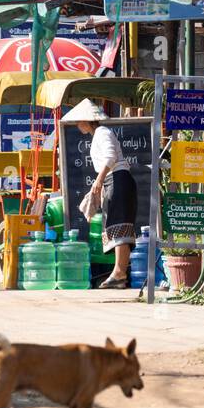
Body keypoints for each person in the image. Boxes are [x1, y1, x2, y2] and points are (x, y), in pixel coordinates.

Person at [66, 98, 137, 289]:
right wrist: (101, 183)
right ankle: (119, 273)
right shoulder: (99, 134)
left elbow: (110, 156)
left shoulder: (102, 132)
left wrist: (98, 180)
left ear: (86, 121)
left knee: (119, 224)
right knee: (115, 225)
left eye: (79, 121)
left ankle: (119, 273)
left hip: (118, 179)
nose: (77, 125)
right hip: (114, 180)